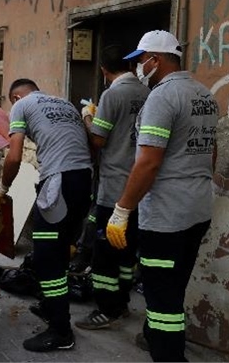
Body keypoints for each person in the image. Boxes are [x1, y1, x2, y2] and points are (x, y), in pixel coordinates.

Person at [107, 30, 218, 362]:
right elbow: (211, 153)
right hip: (197, 210)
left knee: (161, 299)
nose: (139, 66)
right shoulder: (203, 94)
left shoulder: (162, 97)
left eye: (141, 60)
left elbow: (149, 162)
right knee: (175, 286)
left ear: (156, 59)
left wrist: (122, 210)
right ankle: (153, 337)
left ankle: (168, 355)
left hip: (167, 218)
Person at [0, 79, 92, 352]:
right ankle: (52, 307)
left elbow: (14, 157)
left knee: (47, 256)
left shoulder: (22, 106)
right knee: (60, 251)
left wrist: (3, 188)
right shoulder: (65, 103)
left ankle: (61, 332)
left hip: (59, 183)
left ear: (15, 97)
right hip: (84, 181)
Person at [75, 45, 150, 330]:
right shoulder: (147, 92)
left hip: (115, 188)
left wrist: (87, 115)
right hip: (141, 187)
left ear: (104, 71)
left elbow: (98, 140)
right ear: (132, 66)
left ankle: (107, 309)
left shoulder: (113, 94)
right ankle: (122, 303)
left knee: (106, 252)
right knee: (128, 251)